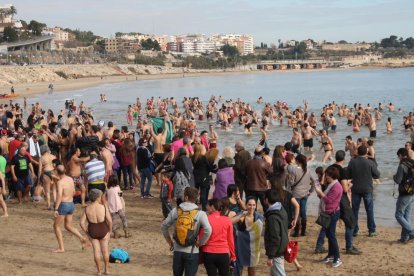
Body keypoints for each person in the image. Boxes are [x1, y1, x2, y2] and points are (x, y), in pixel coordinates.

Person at [316, 150, 360, 255]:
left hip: (330, 197)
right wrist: (350, 185)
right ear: (344, 159)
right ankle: (349, 247)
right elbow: (344, 189)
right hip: (341, 199)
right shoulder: (342, 171)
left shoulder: (329, 169)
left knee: (327, 223)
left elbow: (323, 183)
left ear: (335, 157)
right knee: (350, 223)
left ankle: (319, 245)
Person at [161, 187, 212, 276]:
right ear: (196, 198)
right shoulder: (200, 213)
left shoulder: (175, 211)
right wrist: (201, 242)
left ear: (186, 197)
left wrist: (170, 242)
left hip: (177, 249)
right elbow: (208, 229)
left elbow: (164, 226)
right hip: (192, 250)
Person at [53, 165, 88, 253]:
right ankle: (82, 237)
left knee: (56, 226)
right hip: (71, 204)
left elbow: (59, 195)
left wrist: (56, 208)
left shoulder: (60, 182)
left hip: (64, 204)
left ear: (57, 172)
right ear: (64, 170)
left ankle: (61, 248)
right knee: (68, 226)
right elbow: (73, 191)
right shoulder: (70, 179)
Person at [347, 145, 380, 237]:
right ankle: (372, 230)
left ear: (358, 152)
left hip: (356, 188)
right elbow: (377, 175)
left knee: (355, 210)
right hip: (367, 188)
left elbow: (348, 175)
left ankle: (354, 230)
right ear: (366, 153)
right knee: (369, 210)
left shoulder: (352, 162)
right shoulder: (370, 162)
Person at [315, 167, 343, 268]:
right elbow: (323, 197)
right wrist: (319, 193)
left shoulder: (336, 187)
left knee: (331, 236)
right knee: (328, 234)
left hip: (332, 213)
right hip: (327, 212)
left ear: (331, 176)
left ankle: (337, 258)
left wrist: (320, 192)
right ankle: (331, 255)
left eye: (326, 175)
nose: (325, 177)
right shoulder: (331, 185)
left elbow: (328, 200)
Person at [80, 189, 112, 276]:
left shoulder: (87, 208)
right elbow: (109, 221)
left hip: (92, 231)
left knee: (96, 251)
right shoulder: (103, 207)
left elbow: (82, 223)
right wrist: (110, 231)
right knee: (105, 251)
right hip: (103, 229)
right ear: (98, 197)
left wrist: (87, 233)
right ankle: (107, 270)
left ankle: (99, 272)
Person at [202, 198, 236, 276]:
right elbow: (230, 240)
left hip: (209, 252)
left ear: (212, 207)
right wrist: (233, 255)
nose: (206, 207)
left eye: (207, 206)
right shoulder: (227, 220)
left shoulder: (207, 219)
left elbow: (203, 236)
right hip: (223, 253)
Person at [233, 197, 264, 276]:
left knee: (252, 270)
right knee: (239, 268)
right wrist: (240, 216)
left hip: (253, 248)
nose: (252, 207)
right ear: (246, 205)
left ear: (256, 206)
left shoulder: (259, 218)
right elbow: (229, 222)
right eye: (249, 205)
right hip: (241, 246)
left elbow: (260, 233)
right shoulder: (241, 215)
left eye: (254, 205)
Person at [287, 154, 315, 237]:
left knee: (296, 213)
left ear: (297, 161)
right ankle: (303, 231)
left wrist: (288, 178)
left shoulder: (294, 170)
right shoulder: (307, 170)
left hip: (296, 194)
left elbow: (291, 183)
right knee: (303, 212)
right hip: (305, 194)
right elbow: (313, 182)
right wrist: (311, 191)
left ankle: (296, 232)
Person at [264, 189, 289, 276]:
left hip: (277, 251)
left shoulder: (272, 217)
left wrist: (271, 256)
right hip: (282, 246)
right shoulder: (281, 209)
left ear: (266, 200)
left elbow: (275, 238)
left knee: (280, 273)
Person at [393, 148, 414, 243]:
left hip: (405, 193)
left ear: (401, 155)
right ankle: (404, 238)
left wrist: (394, 176)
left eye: (398, 156)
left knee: (398, 215)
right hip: (412, 192)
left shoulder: (402, 165)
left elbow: (397, 180)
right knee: (406, 216)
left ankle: (412, 232)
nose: (398, 158)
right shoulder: (412, 162)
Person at [244, 146, 273, 212]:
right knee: (265, 205)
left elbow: (245, 173)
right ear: (262, 153)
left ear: (254, 153)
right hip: (262, 188)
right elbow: (271, 172)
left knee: (252, 207)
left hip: (251, 187)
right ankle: (267, 219)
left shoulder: (248, 162)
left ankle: (253, 220)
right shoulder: (264, 163)